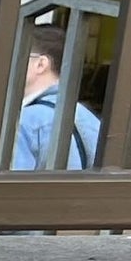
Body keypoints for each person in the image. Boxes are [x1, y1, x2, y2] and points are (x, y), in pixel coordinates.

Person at [11, 23, 100, 169]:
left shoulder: (26, 120)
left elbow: (8, 189)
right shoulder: (89, 118)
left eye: (17, 55)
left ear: (41, 64)